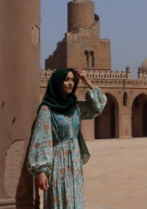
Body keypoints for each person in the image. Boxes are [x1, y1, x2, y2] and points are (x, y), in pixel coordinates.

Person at [28, 68, 107, 208]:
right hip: (58, 163)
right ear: (58, 82)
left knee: (75, 199)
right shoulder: (47, 110)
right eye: (66, 80)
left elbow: (99, 105)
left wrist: (86, 81)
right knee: (60, 200)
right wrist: (41, 171)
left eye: (72, 80)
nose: (70, 83)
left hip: (75, 163)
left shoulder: (75, 107)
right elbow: (41, 140)